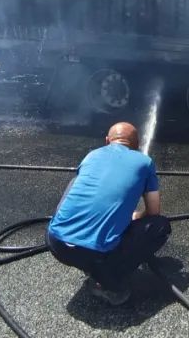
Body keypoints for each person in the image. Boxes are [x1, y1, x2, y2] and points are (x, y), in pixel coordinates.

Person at [46, 121, 170, 305]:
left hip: (55, 242)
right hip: (94, 253)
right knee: (160, 226)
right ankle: (108, 281)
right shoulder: (145, 162)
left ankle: (87, 254)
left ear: (107, 141)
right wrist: (134, 218)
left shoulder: (91, 155)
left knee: (75, 182)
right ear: (137, 144)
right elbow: (154, 211)